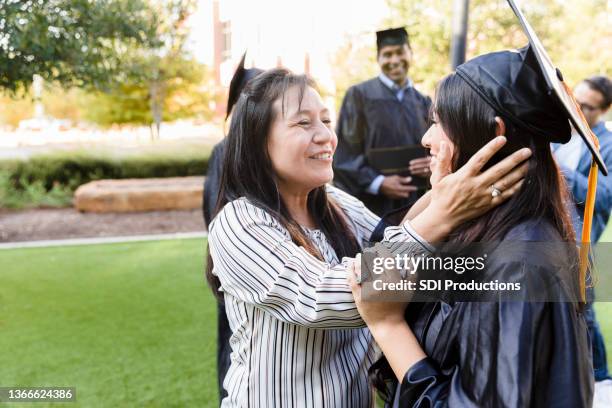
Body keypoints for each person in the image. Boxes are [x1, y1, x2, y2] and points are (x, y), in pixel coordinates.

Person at [206, 68, 530, 407]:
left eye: (326, 121)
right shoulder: (239, 222)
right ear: (258, 141)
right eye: (303, 123)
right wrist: (443, 212)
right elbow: (336, 298)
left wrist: (448, 183)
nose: (325, 137)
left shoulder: (334, 204)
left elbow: (391, 241)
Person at [348, 44, 595, 407]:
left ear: (493, 133)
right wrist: (444, 196)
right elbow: (380, 252)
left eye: (437, 122)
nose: (426, 140)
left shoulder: (517, 260)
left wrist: (389, 327)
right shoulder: (488, 234)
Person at [202, 53, 263, 403]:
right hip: (239, 273)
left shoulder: (272, 152)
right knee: (234, 347)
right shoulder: (224, 152)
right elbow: (216, 214)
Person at [552, 75, 612, 400]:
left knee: (584, 312)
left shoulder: (608, 143)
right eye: (576, 98)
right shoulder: (558, 135)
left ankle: (602, 381)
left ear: (603, 110)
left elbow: (604, 195)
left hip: (581, 241)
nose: (577, 107)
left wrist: (559, 169)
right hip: (549, 238)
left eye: (587, 106)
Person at [333, 27, 432, 216]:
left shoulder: (423, 101)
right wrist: (378, 182)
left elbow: (435, 148)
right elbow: (345, 155)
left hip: (416, 206)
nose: (394, 60)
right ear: (378, 59)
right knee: (379, 247)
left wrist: (432, 165)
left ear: (410, 54)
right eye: (387, 54)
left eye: (400, 52)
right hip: (372, 207)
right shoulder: (359, 96)